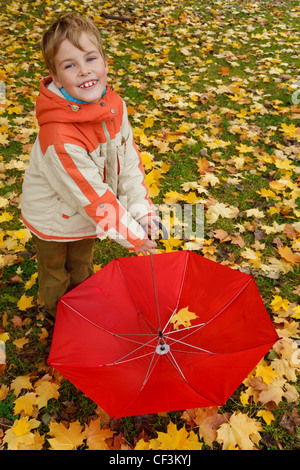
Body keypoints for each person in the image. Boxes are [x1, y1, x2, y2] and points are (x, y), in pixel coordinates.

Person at [21, 12, 159, 318]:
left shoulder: (114, 107)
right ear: (56, 78)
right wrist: (134, 237)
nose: (84, 71)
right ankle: (62, 317)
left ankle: (84, 308)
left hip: (87, 217)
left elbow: (128, 164)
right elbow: (93, 197)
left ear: (106, 63)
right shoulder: (59, 137)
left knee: (81, 263)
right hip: (53, 219)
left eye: (90, 58)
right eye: (70, 65)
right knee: (56, 271)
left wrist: (143, 213)